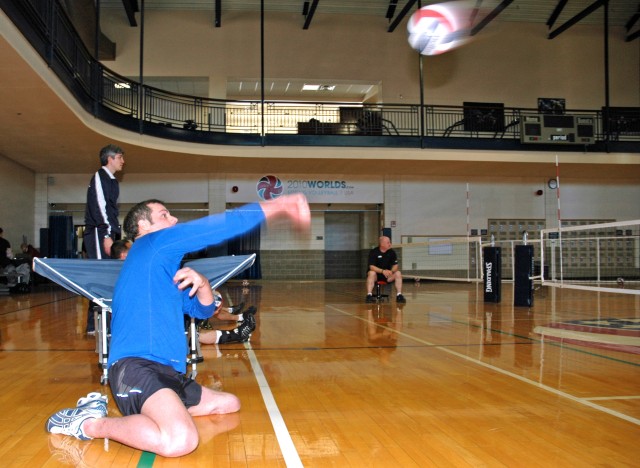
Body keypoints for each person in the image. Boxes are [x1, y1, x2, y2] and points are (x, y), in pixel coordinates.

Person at [46, 193, 310, 457]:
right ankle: (88, 423)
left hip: (170, 374)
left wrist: (204, 284)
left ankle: (163, 410)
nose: (173, 219)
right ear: (143, 227)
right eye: (164, 215)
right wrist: (277, 205)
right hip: (135, 367)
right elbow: (215, 227)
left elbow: (202, 309)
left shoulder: (162, 271)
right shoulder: (151, 244)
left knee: (229, 403)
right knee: (180, 441)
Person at [83, 144, 125, 334]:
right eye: (120, 157)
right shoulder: (100, 177)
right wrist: (106, 234)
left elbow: (110, 209)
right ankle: (95, 325)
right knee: (101, 277)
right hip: (100, 233)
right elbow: (99, 208)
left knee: (110, 278)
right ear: (110, 159)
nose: (123, 161)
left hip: (109, 232)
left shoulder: (112, 181)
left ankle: (106, 322)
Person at [365, 235, 406, 304]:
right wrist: (382, 271)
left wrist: (391, 271)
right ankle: (369, 295)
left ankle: (399, 295)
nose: (390, 244)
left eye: (390, 242)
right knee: (371, 272)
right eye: (388, 242)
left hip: (387, 275)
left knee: (398, 273)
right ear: (382, 244)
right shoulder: (374, 252)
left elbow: (395, 265)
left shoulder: (392, 252)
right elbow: (371, 267)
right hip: (376, 276)